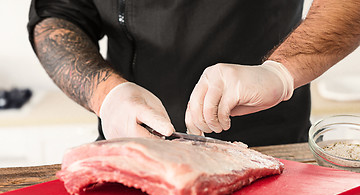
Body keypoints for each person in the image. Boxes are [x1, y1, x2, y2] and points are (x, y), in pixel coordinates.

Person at [28, 0, 360, 147]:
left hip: (271, 148)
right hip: (128, 144)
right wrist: (107, 95)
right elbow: (57, 16)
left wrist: (280, 73)